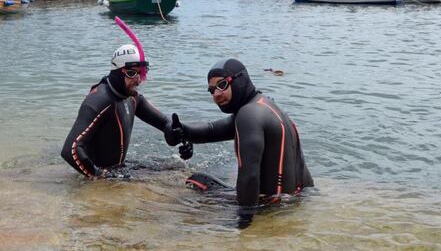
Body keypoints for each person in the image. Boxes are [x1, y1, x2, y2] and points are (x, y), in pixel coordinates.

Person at [166, 59, 314, 207]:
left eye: (222, 85)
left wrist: (243, 222)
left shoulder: (248, 114)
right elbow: (211, 131)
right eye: (212, 90)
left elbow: (249, 176)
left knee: (196, 181)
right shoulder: (264, 106)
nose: (216, 94)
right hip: (297, 199)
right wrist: (182, 130)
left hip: (271, 206)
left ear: (240, 81)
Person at [61, 44, 176, 178]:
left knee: (175, 169)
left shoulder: (132, 98)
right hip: (101, 178)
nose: (138, 80)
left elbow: (165, 123)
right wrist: (99, 176)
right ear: (116, 71)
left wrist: (179, 135)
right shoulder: (98, 101)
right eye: (132, 73)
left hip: (119, 170)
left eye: (142, 73)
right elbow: (70, 150)